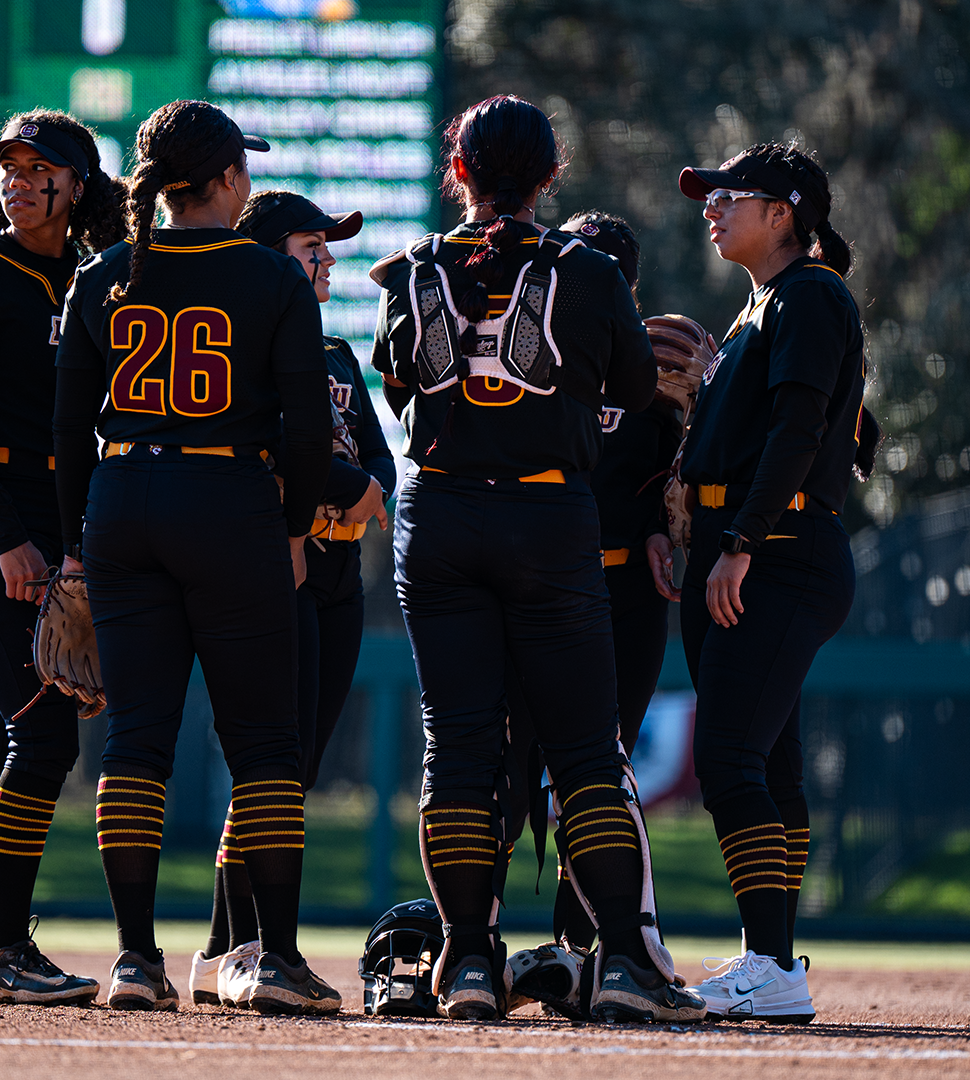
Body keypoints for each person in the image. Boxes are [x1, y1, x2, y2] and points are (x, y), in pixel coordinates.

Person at [370, 95, 707, 1024]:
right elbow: (637, 387)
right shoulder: (588, 270)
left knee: (460, 744)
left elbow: (395, 376)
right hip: (547, 515)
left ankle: (469, 962)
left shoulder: (414, 266)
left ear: (459, 172)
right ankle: (629, 965)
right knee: (583, 750)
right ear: (550, 176)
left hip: (436, 517)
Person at [51, 99, 341, 1016]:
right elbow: (302, 429)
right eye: (240, 169)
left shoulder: (103, 273)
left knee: (137, 739)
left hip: (122, 501)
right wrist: (295, 528)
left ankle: (136, 959)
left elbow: (66, 433)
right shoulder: (269, 279)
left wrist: (73, 551)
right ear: (223, 182)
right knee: (263, 743)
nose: (245, 180)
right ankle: (278, 959)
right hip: (228, 503)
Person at [0, 109, 127, 1004]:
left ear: (76, 185)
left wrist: (78, 545)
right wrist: (9, 539)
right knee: (44, 732)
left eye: (38, 167)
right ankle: (1, 950)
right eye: (8, 165)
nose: (17, 179)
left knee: (15, 730)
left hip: (58, 529)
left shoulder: (93, 281)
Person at [187, 190, 397, 1008]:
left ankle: (220, 949)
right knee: (270, 767)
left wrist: (359, 489)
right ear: (272, 254)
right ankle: (248, 948)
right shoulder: (250, 343)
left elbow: (377, 465)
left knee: (294, 771)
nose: (330, 259)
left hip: (338, 577)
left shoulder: (338, 353)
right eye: (315, 245)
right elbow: (281, 446)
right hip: (282, 567)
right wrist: (341, 491)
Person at [672, 142, 867, 1024]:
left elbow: (801, 427)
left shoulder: (812, 294)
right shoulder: (767, 304)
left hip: (779, 551)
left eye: (728, 196)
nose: (710, 207)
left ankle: (772, 966)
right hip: (751, 548)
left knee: (728, 758)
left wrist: (742, 537)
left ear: (783, 212)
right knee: (770, 762)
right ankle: (773, 960)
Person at [510, 210, 685, 969]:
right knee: (509, 766)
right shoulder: (528, 352)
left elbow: (673, 481)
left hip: (626, 595)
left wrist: (660, 521)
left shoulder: (661, 373)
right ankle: (474, 936)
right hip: (536, 586)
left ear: (628, 285)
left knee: (601, 773)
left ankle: (579, 946)